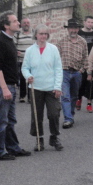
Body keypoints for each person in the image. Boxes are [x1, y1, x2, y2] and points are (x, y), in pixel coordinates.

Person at [0, 11, 32, 161]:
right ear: (6, 25)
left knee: (10, 120)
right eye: (14, 21)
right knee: (1, 121)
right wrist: (4, 88)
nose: (18, 23)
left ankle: (13, 148)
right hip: (4, 86)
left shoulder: (9, 40)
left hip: (11, 86)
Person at [22, 24, 64, 152]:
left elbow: (58, 69)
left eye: (46, 34)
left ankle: (54, 137)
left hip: (51, 88)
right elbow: (24, 67)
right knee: (37, 115)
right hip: (36, 87)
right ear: (36, 35)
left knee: (54, 113)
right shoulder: (30, 51)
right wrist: (28, 76)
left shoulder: (53, 49)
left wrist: (58, 87)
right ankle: (39, 139)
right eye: (41, 34)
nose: (43, 36)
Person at [57, 18, 88, 129]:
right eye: (71, 28)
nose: (73, 30)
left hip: (76, 73)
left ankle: (70, 114)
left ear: (78, 29)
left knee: (74, 96)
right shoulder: (61, 41)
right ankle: (68, 119)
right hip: (64, 72)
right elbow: (56, 58)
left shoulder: (82, 42)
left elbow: (85, 58)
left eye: (75, 28)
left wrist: (82, 70)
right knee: (65, 96)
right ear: (68, 29)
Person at [77, 16, 93, 113]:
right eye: (89, 22)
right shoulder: (79, 33)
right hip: (81, 61)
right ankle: (79, 99)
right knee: (80, 82)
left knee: (91, 83)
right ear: (84, 22)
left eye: (92, 22)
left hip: (92, 61)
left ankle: (89, 103)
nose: (90, 24)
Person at [15, 17, 33, 103]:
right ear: (21, 24)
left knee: (31, 78)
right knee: (22, 78)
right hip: (21, 59)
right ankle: (22, 96)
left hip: (32, 60)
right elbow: (13, 44)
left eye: (27, 22)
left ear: (30, 24)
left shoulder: (34, 33)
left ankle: (30, 97)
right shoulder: (17, 34)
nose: (26, 24)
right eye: (24, 22)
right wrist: (15, 51)